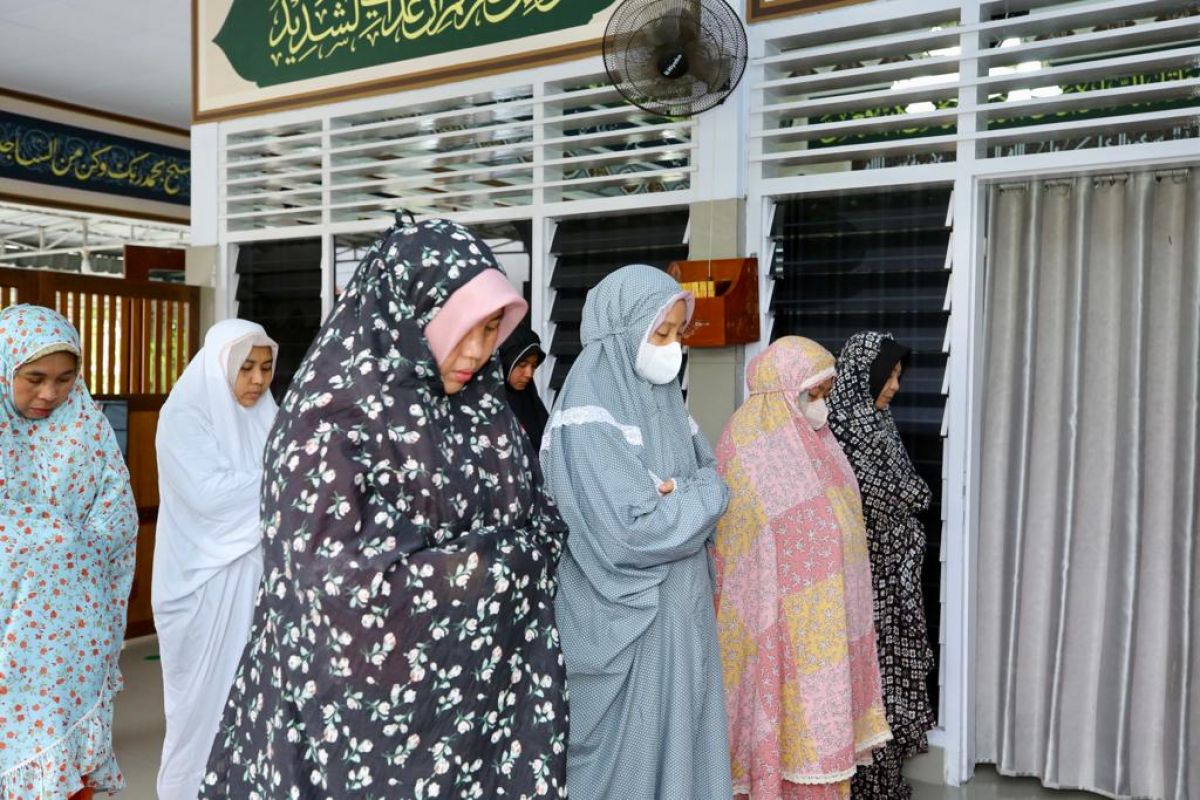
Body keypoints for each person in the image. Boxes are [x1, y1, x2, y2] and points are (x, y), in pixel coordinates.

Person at [198, 217, 570, 798]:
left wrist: (481, 563)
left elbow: (544, 525)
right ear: (411, 315)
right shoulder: (328, 420)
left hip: (488, 719)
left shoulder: (483, 409)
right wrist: (498, 569)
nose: (478, 352)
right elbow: (333, 585)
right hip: (356, 729)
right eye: (464, 329)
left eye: (492, 329)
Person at [540, 264, 733, 800]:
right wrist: (698, 496)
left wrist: (691, 494)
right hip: (626, 632)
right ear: (622, 329)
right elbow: (636, 532)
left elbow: (712, 479)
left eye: (677, 333)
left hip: (680, 622)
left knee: (681, 758)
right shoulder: (589, 413)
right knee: (627, 766)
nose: (672, 347)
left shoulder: (665, 399)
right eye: (661, 332)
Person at [714, 336, 892, 800]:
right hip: (772, 625)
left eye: (826, 395)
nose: (822, 406)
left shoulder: (819, 444)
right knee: (780, 722)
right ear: (786, 389)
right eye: (815, 395)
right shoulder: (745, 445)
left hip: (822, 624)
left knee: (818, 736)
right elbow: (745, 542)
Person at [0, 304, 137, 800]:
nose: (50, 394)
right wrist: (60, 539)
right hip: (10, 646)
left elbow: (118, 517)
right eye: (33, 378)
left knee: (67, 773)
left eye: (65, 378)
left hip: (73, 646)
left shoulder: (87, 429)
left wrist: (66, 545)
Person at [152, 319, 279, 800]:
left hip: (260, 584)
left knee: (257, 705)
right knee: (201, 710)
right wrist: (280, 475)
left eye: (266, 368)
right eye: (245, 367)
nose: (258, 380)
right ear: (217, 366)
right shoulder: (184, 416)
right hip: (202, 587)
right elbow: (210, 500)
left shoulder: (268, 414)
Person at [827, 331, 935, 800]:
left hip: (893, 576)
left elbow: (907, 487)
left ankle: (884, 781)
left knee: (887, 681)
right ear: (862, 373)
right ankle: (865, 784)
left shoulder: (878, 420)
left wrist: (911, 496)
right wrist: (913, 496)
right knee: (869, 676)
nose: (894, 386)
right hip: (866, 577)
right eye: (887, 375)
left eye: (896, 376)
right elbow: (890, 494)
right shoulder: (842, 427)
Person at [499, 324, 549, 451]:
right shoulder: (489, 407)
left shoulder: (531, 405)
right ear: (504, 363)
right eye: (522, 365)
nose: (529, 374)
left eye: (533, 366)